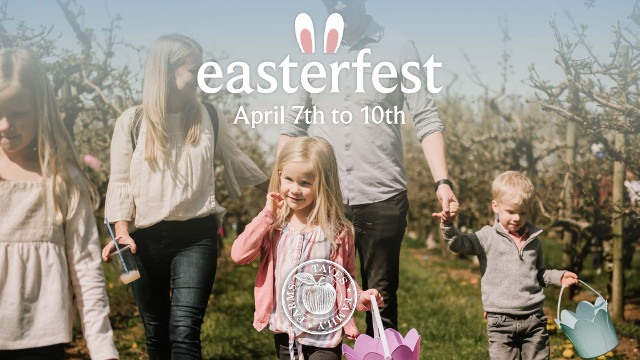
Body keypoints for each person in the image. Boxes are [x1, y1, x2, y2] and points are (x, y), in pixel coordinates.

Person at [278, 0, 457, 334]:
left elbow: (426, 118)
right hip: (325, 201)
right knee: (320, 295)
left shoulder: (399, 48)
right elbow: (292, 125)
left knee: (380, 299)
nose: (340, 6)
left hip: (383, 195)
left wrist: (442, 181)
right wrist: (280, 189)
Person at [101, 34, 268, 360]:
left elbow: (239, 162)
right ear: (165, 71)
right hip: (142, 241)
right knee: (156, 331)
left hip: (196, 239)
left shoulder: (208, 116)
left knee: (184, 330)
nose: (202, 76)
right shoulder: (132, 123)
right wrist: (121, 231)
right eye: (195, 69)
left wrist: (282, 189)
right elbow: (120, 182)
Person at [0, 48, 118, 360]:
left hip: (42, 338)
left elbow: (86, 268)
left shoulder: (63, 181)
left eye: (19, 113)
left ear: (41, 110)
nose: (5, 125)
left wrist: (103, 348)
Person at [231, 136, 383, 360]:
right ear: (279, 175)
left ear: (323, 184)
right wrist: (267, 215)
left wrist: (360, 297)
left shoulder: (337, 232)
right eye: (289, 179)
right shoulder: (273, 225)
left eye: (305, 183)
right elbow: (239, 255)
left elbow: (344, 278)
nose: (295, 189)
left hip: (325, 336)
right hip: (286, 335)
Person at [434, 171, 578, 360]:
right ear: (496, 206)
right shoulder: (487, 237)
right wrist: (449, 225)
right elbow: (459, 244)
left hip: (534, 319)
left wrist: (559, 276)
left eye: (523, 213)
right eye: (511, 212)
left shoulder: (533, 241)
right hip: (501, 321)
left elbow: (540, 273)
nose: (517, 218)